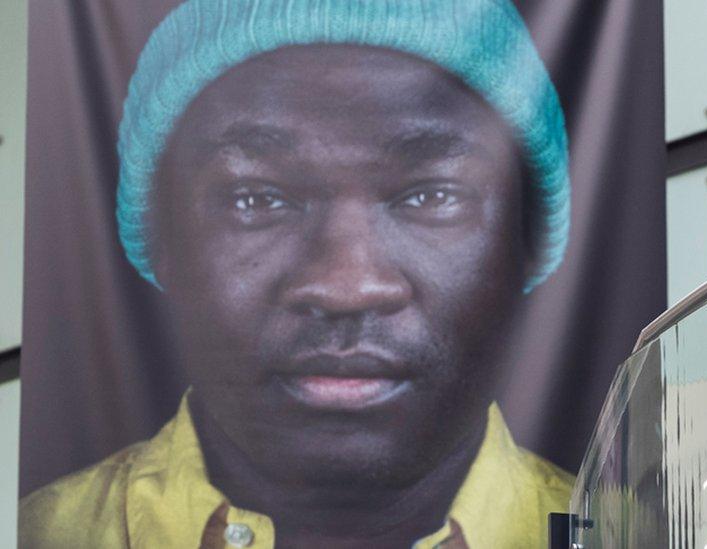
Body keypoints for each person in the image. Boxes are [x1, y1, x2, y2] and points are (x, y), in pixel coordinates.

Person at [19, 1, 574, 547]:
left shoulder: (632, 535)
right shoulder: (41, 535)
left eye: (432, 195)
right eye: (255, 197)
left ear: (527, 242)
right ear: (159, 239)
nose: (346, 286)